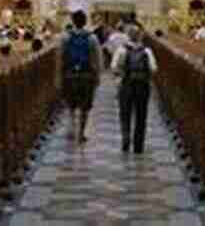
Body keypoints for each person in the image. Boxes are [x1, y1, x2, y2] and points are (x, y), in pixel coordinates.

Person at [58, 9, 102, 143]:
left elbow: (61, 57)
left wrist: (59, 75)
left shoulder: (65, 37)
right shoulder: (92, 38)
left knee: (71, 105)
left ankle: (71, 130)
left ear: (73, 21)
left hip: (70, 74)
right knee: (85, 106)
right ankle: (81, 133)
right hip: (86, 75)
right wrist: (97, 76)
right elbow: (96, 59)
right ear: (85, 21)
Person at [111, 24, 157, 153]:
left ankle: (126, 138)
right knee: (141, 115)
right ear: (140, 36)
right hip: (142, 86)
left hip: (126, 85)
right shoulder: (147, 51)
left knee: (125, 113)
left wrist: (120, 75)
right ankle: (138, 145)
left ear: (128, 36)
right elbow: (154, 68)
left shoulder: (122, 50)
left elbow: (114, 67)